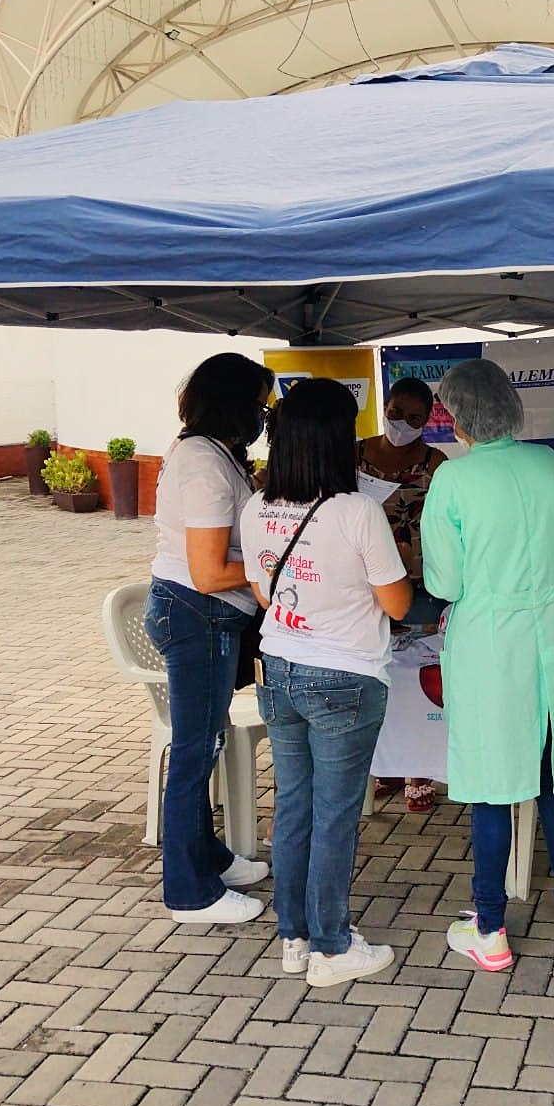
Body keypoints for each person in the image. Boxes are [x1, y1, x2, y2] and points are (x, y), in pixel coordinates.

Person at [420, 359, 554, 971]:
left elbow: (444, 580)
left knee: (492, 789)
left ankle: (490, 929)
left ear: (457, 416)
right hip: (548, 633)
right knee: (552, 780)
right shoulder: (549, 465)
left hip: (491, 643)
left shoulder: (453, 481)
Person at [241, 378, 411, 987]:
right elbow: (396, 604)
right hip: (344, 675)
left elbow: (263, 591)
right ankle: (333, 946)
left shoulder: (256, 506)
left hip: (279, 668)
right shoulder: (358, 511)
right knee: (334, 813)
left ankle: (294, 936)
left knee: (293, 805)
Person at [146, 352, 274, 925]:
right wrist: (272, 573)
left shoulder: (216, 454)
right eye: (257, 404)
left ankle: (209, 857)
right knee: (197, 750)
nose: (262, 416)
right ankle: (189, 891)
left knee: (207, 741)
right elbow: (207, 571)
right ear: (232, 404)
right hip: (199, 612)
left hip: (208, 614)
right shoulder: (203, 464)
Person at [358, 376, 449, 813]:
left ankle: (418, 768)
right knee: (374, 672)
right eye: (396, 413)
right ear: (385, 405)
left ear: (428, 419)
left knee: (416, 676)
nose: (403, 424)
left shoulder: (438, 463)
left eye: (415, 418)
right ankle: (382, 764)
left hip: (419, 583)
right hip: (361, 583)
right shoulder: (353, 453)